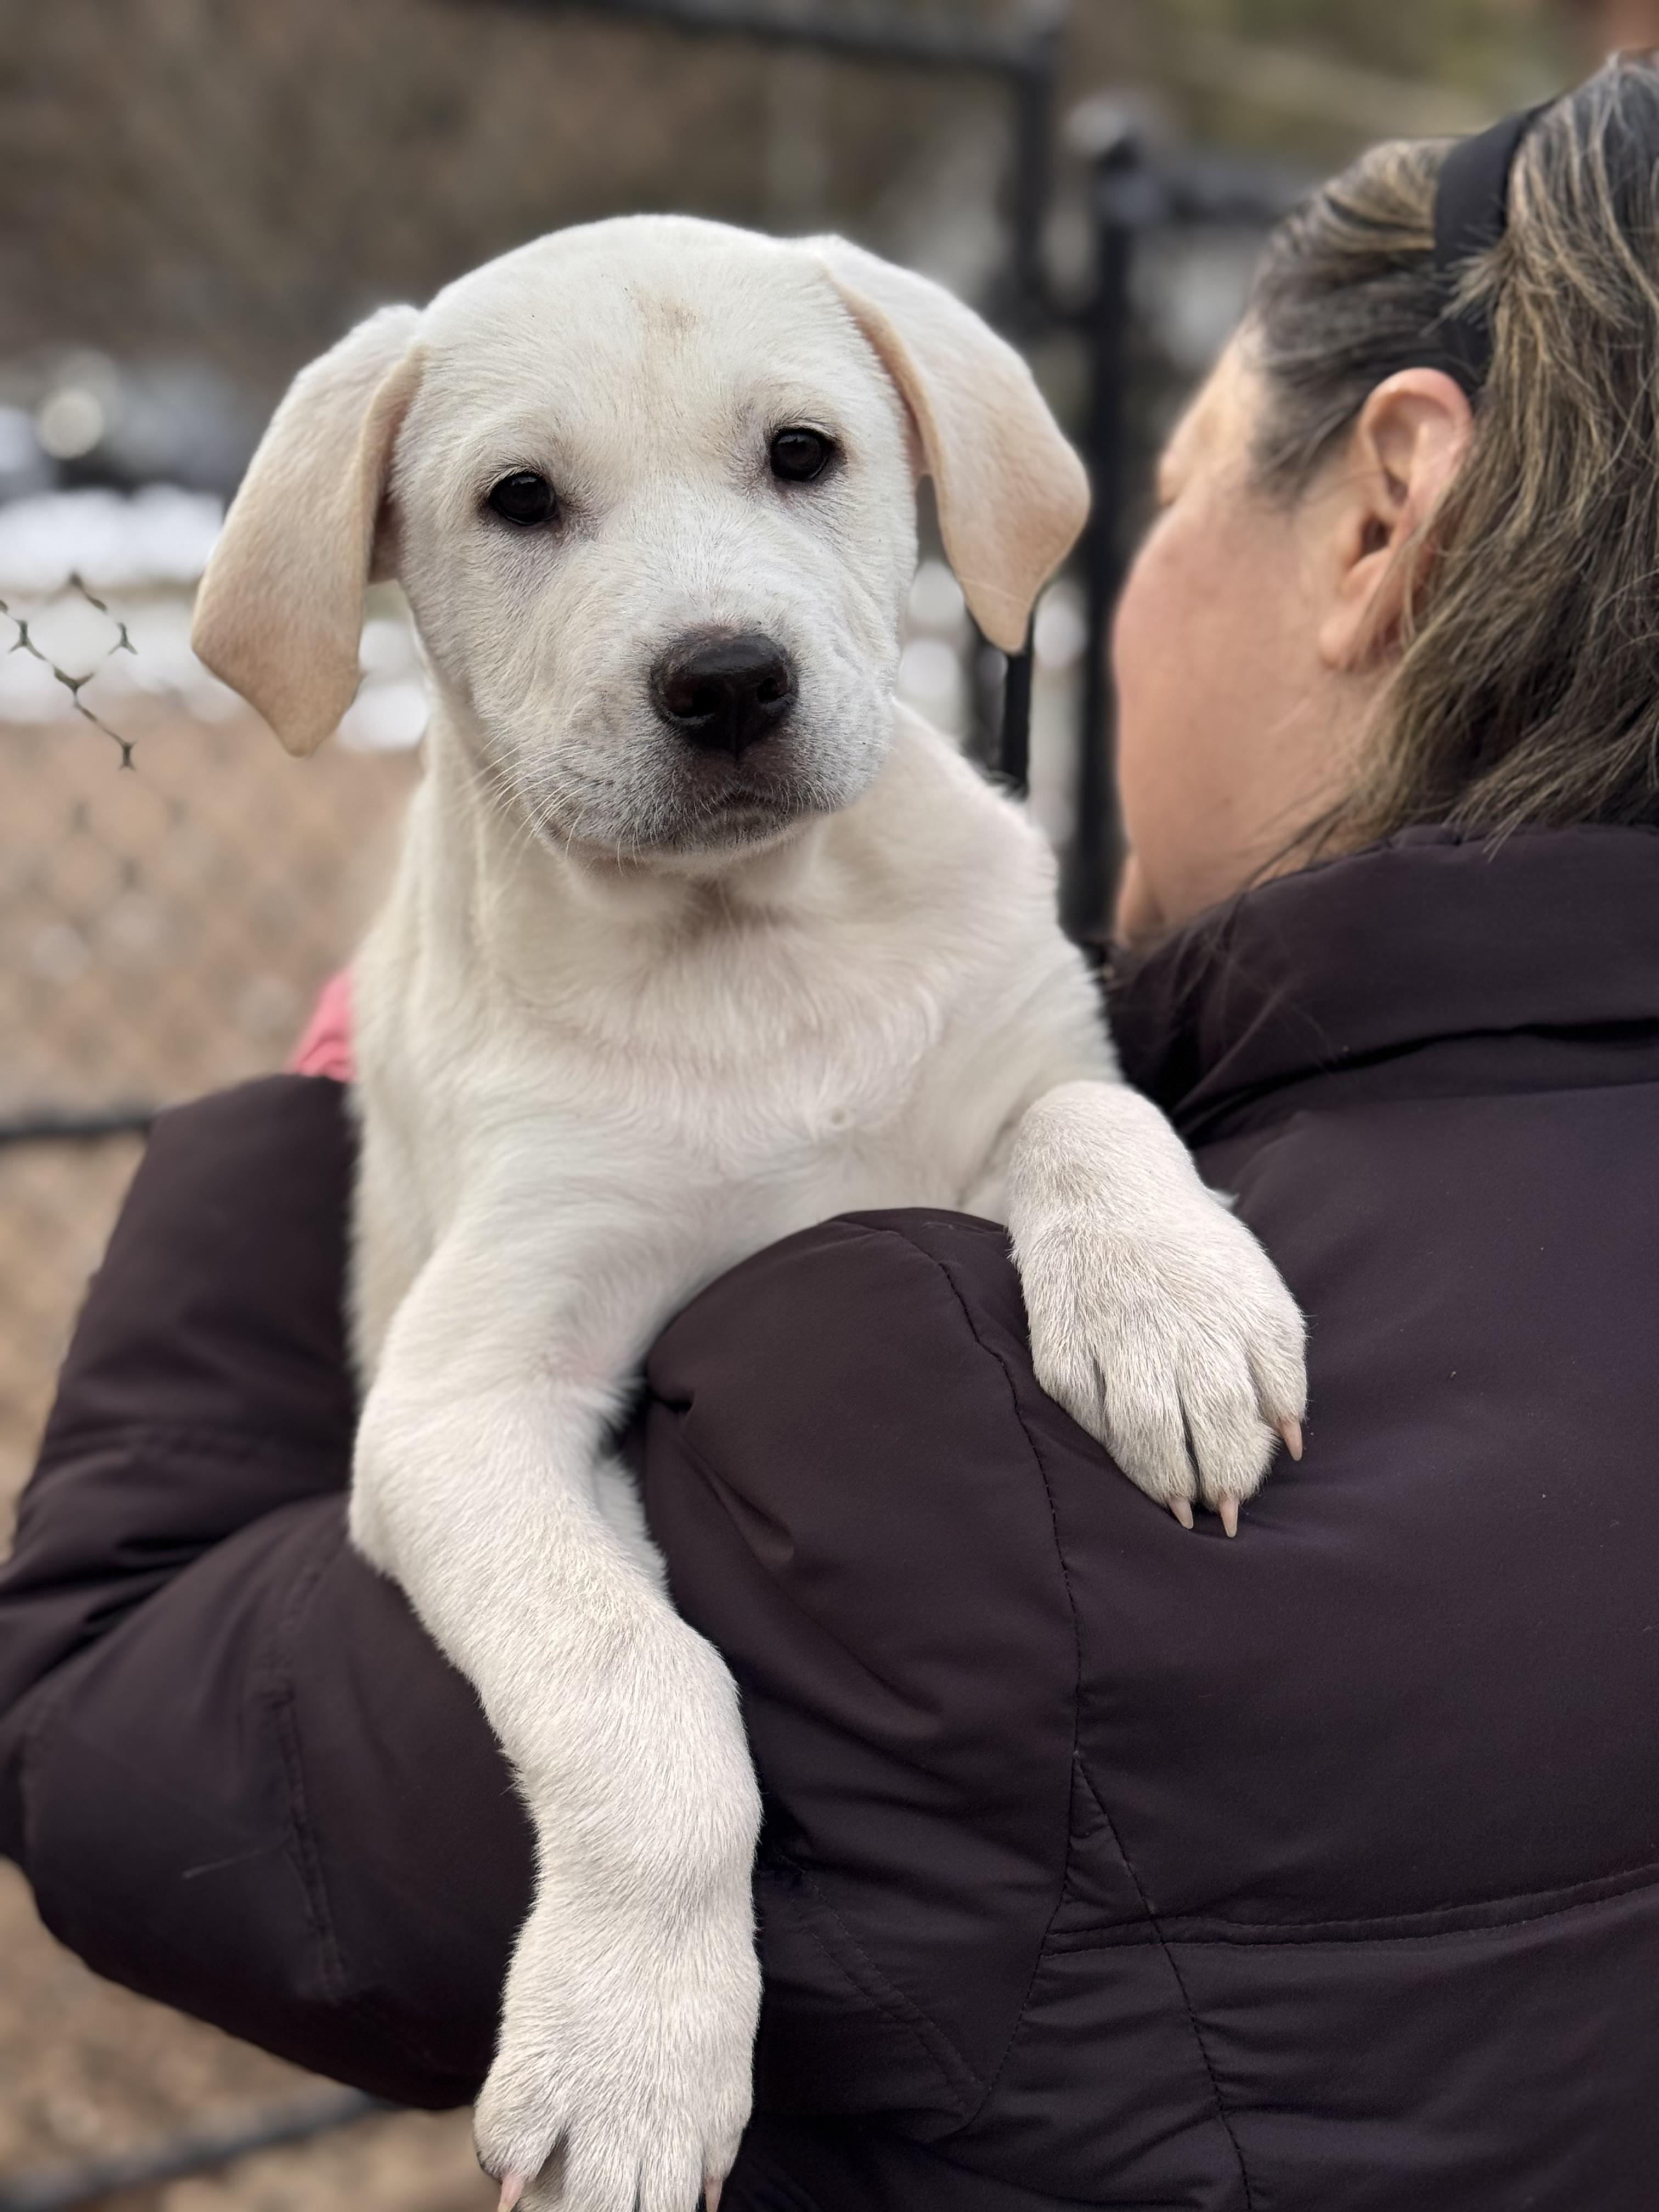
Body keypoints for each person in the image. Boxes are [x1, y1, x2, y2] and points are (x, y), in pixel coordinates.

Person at [6, 53, 1659, 2212]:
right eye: (527, 505)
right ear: (378, 552)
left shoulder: (992, 999)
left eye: (798, 462)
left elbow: (127, 1747)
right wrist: (650, 1824)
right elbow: (463, 1427)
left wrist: (1092, 1165)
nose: (715, 622)